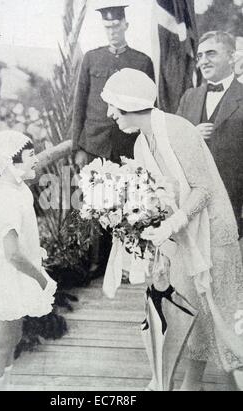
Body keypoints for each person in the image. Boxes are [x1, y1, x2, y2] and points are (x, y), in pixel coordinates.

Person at [101, 68, 243, 391]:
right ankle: (190, 386)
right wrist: (159, 243)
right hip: (181, 240)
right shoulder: (139, 146)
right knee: (190, 317)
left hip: (213, 235)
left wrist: (169, 226)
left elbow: (203, 190)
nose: (110, 114)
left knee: (225, 327)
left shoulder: (178, 130)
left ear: (130, 102)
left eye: (113, 106)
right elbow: (158, 203)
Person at [72, 0, 154, 273]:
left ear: (125, 25)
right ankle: (97, 262)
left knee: (128, 202)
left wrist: (148, 146)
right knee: (97, 204)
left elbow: (150, 105)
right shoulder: (92, 58)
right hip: (94, 142)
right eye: (108, 26)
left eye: (116, 25)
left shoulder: (142, 61)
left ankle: (128, 263)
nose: (112, 30)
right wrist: (77, 147)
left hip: (127, 143)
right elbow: (79, 103)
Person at [0, 130, 57, 391]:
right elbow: (11, 253)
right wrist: (41, 278)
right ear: (11, 163)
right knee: (1, 342)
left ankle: (6, 386)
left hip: (17, 269)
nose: (35, 160)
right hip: (7, 271)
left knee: (14, 335)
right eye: (30, 156)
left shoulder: (15, 186)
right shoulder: (6, 198)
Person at [177, 31, 243, 236]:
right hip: (192, 204)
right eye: (200, 56)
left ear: (232, 57)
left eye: (211, 54)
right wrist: (191, 135)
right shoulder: (190, 96)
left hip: (233, 202)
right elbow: (172, 142)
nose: (203, 61)